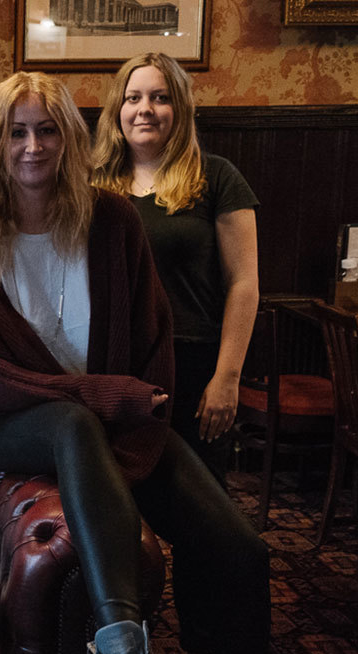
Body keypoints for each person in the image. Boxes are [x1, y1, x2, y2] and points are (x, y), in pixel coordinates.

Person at [0, 71, 272, 654]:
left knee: (243, 550)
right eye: (15, 133)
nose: (32, 146)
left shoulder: (113, 220)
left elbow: (155, 342)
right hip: (16, 423)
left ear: (71, 138)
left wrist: (127, 423)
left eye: (48, 130)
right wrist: (103, 395)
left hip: (116, 427)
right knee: (67, 423)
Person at [92, 52, 259, 486]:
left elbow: (244, 285)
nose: (144, 108)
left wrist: (227, 377)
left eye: (159, 97)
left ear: (180, 109)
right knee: (121, 500)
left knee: (202, 506)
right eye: (133, 98)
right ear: (118, 110)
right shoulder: (89, 184)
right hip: (119, 366)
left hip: (195, 362)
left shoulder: (217, 177)